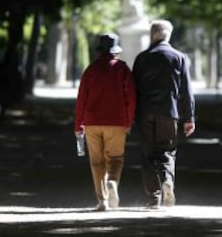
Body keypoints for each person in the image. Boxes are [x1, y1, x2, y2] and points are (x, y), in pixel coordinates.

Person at [132, 19, 195, 209]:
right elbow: (186, 90)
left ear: (152, 35)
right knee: (167, 151)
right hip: (169, 112)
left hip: (145, 112)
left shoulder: (142, 58)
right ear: (168, 35)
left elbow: (134, 89)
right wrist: (189, 117)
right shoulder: (178, 57)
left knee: (147, 153)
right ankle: (167, 179)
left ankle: (154, 197)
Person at [74, 33, 136, 211]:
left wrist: (78, 125)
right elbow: (131, 97)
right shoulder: (122, 69)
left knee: (96, 162)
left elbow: (81, 99)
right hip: (117, 122)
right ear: (116, 51)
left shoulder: (91, 70)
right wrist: (129, 120)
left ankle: (102, 201)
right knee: (115, 159)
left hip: (92, 122)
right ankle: (112, 182)